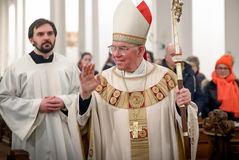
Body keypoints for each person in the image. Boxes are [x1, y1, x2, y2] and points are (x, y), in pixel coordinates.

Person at [68, 0, 199, 159]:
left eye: (123, 48)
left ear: (140, 50)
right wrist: (85, 96)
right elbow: (81, 125)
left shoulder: (166, 79)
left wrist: (181, 106)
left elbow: (186, 125)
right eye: (113, 47)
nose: (115, 54)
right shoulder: (101, 81)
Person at [0, 18, 83, 160]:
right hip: (32, 134)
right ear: (31, 40)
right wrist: (37, 106)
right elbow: (4, 99)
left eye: (50, 33)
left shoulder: (67, 65)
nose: (46, 37)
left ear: (55, 37)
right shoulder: (17, 67)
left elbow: (80, 94)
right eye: (40, 34)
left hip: (62, 133)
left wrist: (64, 101)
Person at [160, 44, 205, 115]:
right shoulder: (159, 72)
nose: (176, 57)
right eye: (172, 55)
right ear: (166, 57)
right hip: (168, 116)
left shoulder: (189, 71)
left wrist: (194, 111)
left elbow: (199, 96)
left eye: (178, 55)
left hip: (188, 115)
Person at [202, 54, 239, 123]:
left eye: (225, 68)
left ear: (230, 70)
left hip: (236, 125)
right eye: (220, 68)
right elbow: (205, 109)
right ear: (216, 69)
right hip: (216, 126)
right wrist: (216, 122)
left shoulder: (237, 84)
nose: (222, 71)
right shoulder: (209, 86)